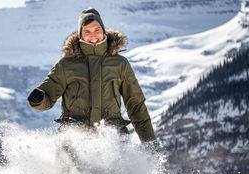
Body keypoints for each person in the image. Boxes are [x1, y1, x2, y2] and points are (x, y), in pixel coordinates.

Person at [27, 7, 156, 143]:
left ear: (103, 31)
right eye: (87, 31)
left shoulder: (120, 64)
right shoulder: (66, 65)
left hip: (114, 141)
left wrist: (150, 145)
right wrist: (39, 100)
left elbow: (136, 106)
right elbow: (47, 96)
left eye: (97, 30)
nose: (93, 36)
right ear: (80, 35)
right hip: (73, 141)